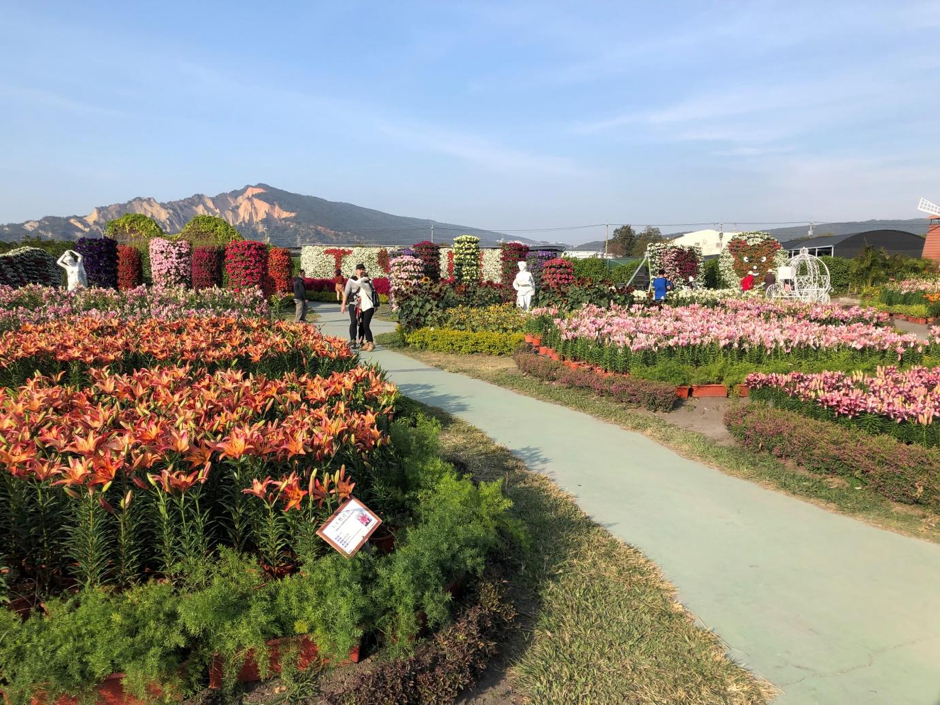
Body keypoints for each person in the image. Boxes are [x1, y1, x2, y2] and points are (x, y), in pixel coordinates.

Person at [341, 263, 367, 349]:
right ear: (356, 270)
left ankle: (361, 341)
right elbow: (346, 293)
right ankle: (353, 340)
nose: (361, 271)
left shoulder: (366, 280)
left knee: (363, 323)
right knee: (354, 322)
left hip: (364, 305)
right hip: (353, 305)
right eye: (360, 269)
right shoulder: (351, 280)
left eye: (363, 269)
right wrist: (343, 305)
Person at [356, 270, 377, 351]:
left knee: (366, 325)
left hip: (369, 308)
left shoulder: (367, 285)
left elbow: (358, 282)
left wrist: (363, 278)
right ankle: (367, 342)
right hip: (364, 308)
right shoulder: (363, 287)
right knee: (363, 325)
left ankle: (371, 343)